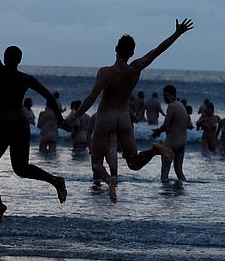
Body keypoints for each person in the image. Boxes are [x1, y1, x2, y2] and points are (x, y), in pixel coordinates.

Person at [67, 17, 193, 202]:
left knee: (96, 164)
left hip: (106, 118)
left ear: (116, 49)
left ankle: (110, 179)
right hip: (124, 119)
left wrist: (74, 117)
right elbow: (157, 51)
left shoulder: (105, 72)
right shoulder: (136, 68)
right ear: (132, 52)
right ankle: (154, 150)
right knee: (133, 162)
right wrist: (176, 34)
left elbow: (91, 98)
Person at [0, 0, 66, 228]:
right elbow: (50, 97)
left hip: (4, 124)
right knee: (21, 169)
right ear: (20, 60)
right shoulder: (26, 78)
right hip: (21, 124)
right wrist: (60, 120)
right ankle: (55, 180)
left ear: (4, 58)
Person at [151, 84, 189, 182]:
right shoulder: (181, 105)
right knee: (179, 171)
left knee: (164, 171)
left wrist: (158, 131)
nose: (164, 98)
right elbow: (186, 122)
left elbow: (165, 125)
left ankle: (164, 194)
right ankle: (185, 192)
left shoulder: (171, 106)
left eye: (166, 95)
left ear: (173, 95)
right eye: (163, 96)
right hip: (182, 142)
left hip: (172, 142)